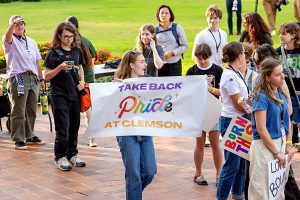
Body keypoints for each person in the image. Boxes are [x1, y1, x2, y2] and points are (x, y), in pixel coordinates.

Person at [249, 58, 294, 200]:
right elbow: (261, 129)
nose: (282, 77)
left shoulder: (280, 93)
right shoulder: (261, 96)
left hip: (279, 143)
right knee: (261, 191)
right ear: (267, 77)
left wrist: (288, 144)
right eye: (278, 74)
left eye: (282, 73)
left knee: (278, 191)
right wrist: (276, 152)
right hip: (264, 147)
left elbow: (287, 119)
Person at [114, 50, 157, 200]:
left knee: (150, 171)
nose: (145, 65)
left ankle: (133, 194)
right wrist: (116, 89)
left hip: (145, 131)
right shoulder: (118, 83)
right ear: (132, 65)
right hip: (126, 133)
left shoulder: (149, 81)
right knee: (134, 175)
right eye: (141, 62)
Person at [44, 22, 86, 171]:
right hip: (58, 94)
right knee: (62, 127)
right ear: (59, 36)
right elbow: (47, 76)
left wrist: (81, 81)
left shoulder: (77, 50)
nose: (69, 39)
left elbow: (80, 67)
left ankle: (72, 154)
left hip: (74, 94)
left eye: (71, 36)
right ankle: (60, 156)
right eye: (66, 37)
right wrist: (59, 68)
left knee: (74, 126)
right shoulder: (53, 53)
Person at [2, 15, 46, 150]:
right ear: (11, 27)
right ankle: (18, 139)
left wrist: (41, 78)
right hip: (19, 77)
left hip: (32, 77)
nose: (19, 26)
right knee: (19, 110)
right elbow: (8, 35)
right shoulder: (9, 40)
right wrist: (12, 25)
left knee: (32, 109)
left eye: (21, 24)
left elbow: (37, 62)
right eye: (16, 25)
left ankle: (29, 134)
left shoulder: (31, 41)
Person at [216, 42, 249, 200]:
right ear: (238, 55)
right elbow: (238, 103)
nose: (245, 55)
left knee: (241, 163)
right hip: (232, 122)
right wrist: (253, 108)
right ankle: (221, 197)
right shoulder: (229, 75)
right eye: (243, 52)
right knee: (232, 165)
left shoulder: (235, 72)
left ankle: (237, 194)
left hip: (240, 121)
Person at [186, 43, 223, 186]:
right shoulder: (191, 71)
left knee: (215, 144)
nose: (202, 61)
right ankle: (198, 173)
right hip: (198, 111)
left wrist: (210, 88)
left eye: (205, 59)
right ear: (195, 58)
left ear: (210, 56)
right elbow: (187, 92)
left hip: (213, 109)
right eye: (200, 59)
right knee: (199, 143)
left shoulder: (217, 70)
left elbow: (223, 92)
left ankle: (219, 174)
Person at [66, 16, 98, 148]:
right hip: (88, 79)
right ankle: (92, 138)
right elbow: (92, 61)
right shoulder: (86, 40)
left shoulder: (69, 43)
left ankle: (69, 138)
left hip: (74, 80)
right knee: (88, 109)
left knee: (71, 109)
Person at [276, 22, 300, 146]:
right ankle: (289, 143)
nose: (280, 36)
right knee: (288, 118)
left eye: (284, 33)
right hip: (284, 93)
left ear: (293, 35)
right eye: (280, 33)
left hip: (298, 92)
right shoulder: (278, 52)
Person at [155, 4, 188, 76]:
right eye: (162, 13)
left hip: (175, 64)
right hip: (159, 64)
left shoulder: (177, 28)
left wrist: (173, 53)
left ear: (170, 15)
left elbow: (185, 46)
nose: (164, 15)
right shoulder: (154, 29)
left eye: (166, 13)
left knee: (175, 86)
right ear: (158, 15)